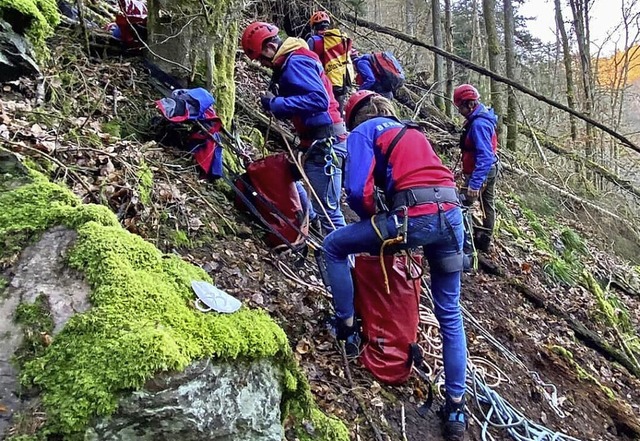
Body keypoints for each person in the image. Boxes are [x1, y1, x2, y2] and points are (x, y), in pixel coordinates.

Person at [322, 90, 468, 441]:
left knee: (334, 246)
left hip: (411, 219)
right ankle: (456, 406)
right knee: (449, 311)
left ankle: (345, 324)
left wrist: (372, 223)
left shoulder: (363, 131)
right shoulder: (411, 130)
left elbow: (357, 192)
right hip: (452, 218)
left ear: (356, 113)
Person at [240, 22, 347, 233]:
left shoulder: (296, 62)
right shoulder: (294, 59)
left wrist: (276, 104)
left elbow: (318, 100)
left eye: (261, 58)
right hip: (317, 142)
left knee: (330, 213)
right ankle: (310, 224)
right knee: (287, 176)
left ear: (269, 47)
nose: (262, 64)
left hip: (325, 144)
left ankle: (343, 262)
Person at [453, 84, 499, 252]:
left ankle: (468, 243)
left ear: (470, 104)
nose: (459, 110)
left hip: (482, 172)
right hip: (488, 169)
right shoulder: (482, 117)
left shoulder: (479, 124)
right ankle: (484, 240)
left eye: (460, 107)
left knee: (461, 204)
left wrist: (475, 183)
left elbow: (485, 156)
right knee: (488, 205)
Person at [306, 11, 355, 115]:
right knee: (339, 111)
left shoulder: (313, 41)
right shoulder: (340, 39)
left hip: (323, 80)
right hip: (342, 80)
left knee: (325, 109)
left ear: (314, 27)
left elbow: (307, 61)